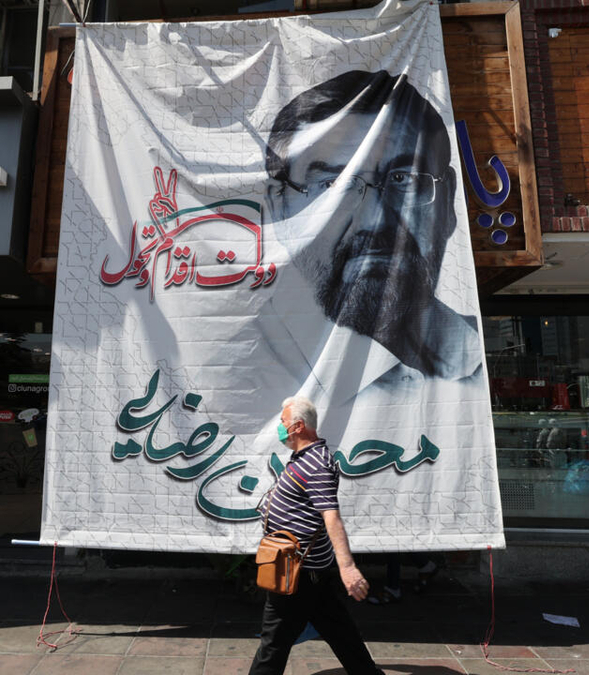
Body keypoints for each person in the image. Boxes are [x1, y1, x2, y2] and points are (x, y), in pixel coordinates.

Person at [262, 69, 481, 385]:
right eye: (335, 185)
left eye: (403, 179)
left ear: (447, 202)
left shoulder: (482, 361)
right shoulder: (242, 366)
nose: (374, 219)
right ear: (278, 208)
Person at [250, 396, 384, 675]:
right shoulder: (307, 458)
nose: (280, 426)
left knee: (273, 643)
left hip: (296, 571)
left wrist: (347, 568)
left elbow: (331, 516)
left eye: (283, 422)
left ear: (298, 426)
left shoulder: (317, 465)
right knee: (341, 633)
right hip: (309, 571)